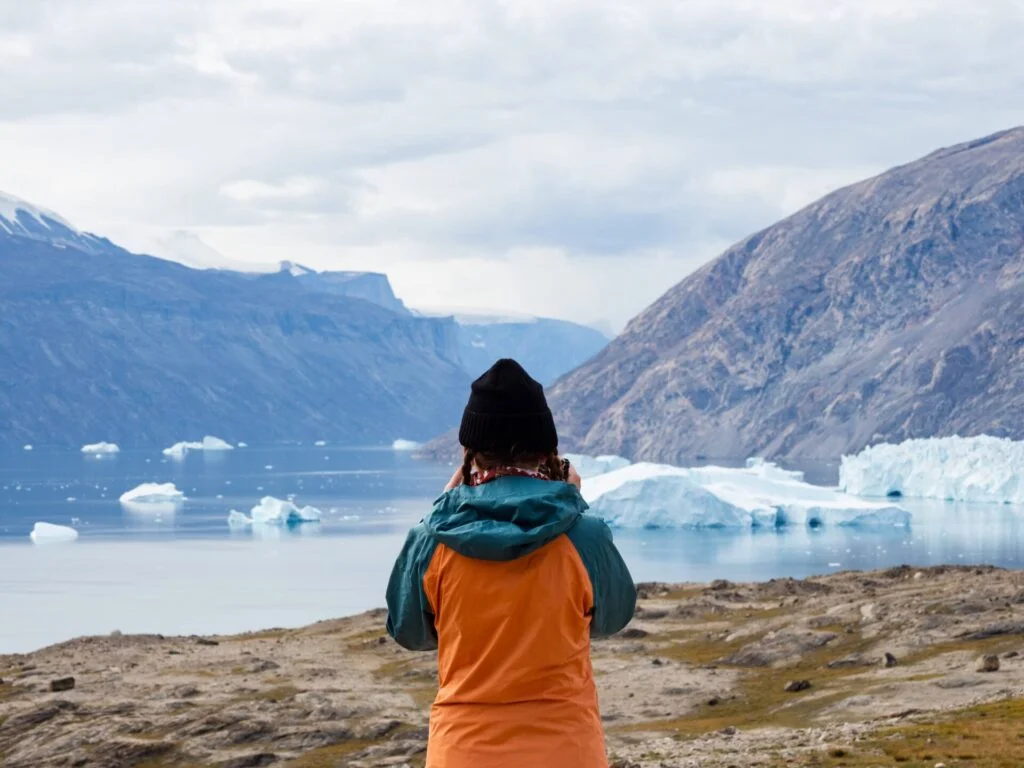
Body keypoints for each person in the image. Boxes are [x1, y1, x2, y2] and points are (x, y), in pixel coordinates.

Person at [386, 358, 636, 768]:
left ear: (468, 452)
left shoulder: (434, 540)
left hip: (463, 748)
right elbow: (612, 619)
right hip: (566, 747)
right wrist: (571, 502)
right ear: (548, 451)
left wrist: (438, 512)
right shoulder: (582, 534)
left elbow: (410, 632)